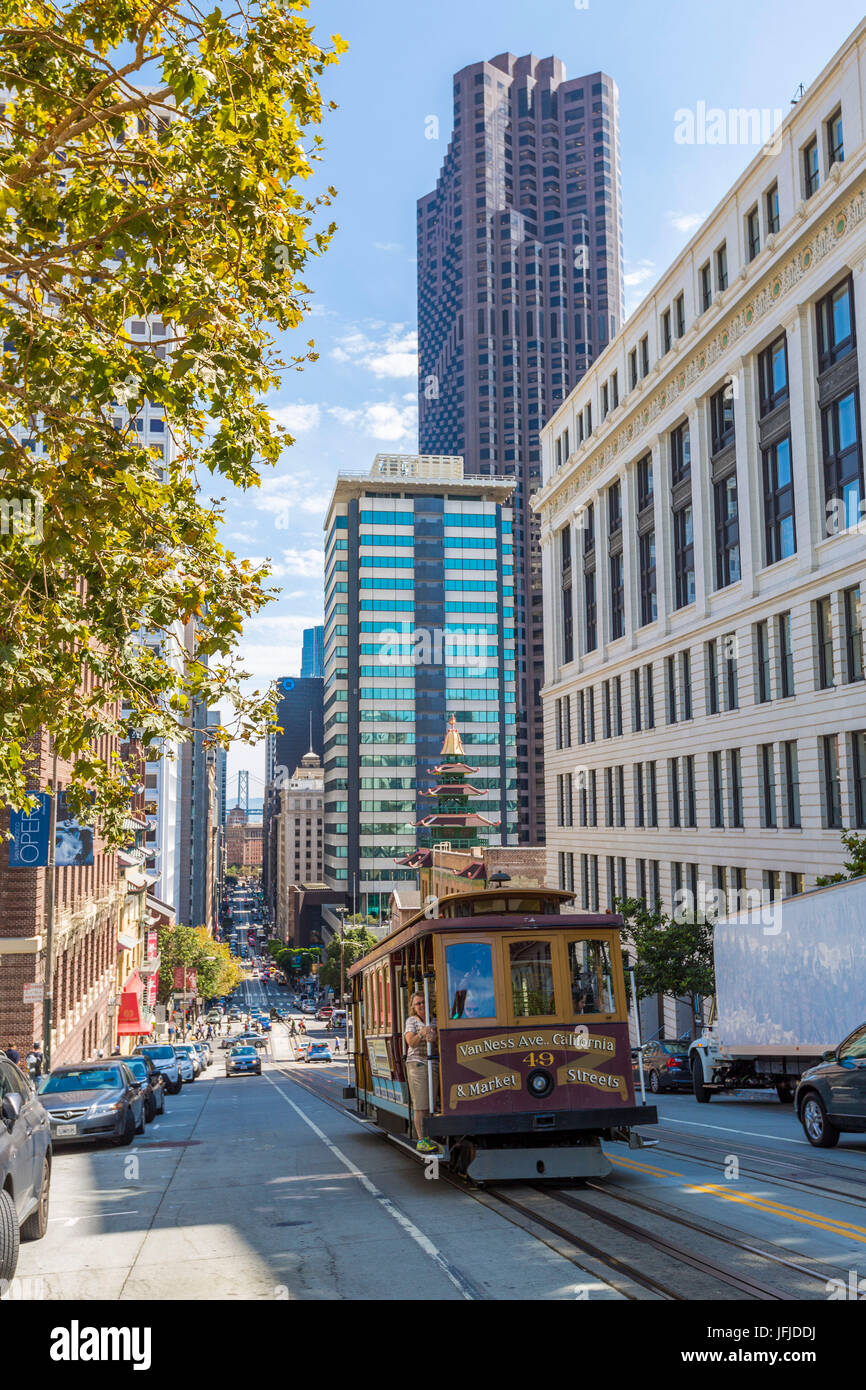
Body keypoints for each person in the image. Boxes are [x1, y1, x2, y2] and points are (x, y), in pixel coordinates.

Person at [404, 993, 440, 1153]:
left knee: (431, 1102)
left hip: (433, 1062)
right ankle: (422, 1140)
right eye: (417, 1003)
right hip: (417, 1064)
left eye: (423, 1002)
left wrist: (435, 1037)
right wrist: (422, 1033)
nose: (420, 1006)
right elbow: (410, 1043)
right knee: (421, 1103)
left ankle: (431, 1136)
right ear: (413, 1007)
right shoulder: (411, 1021)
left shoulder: (436, 1020)